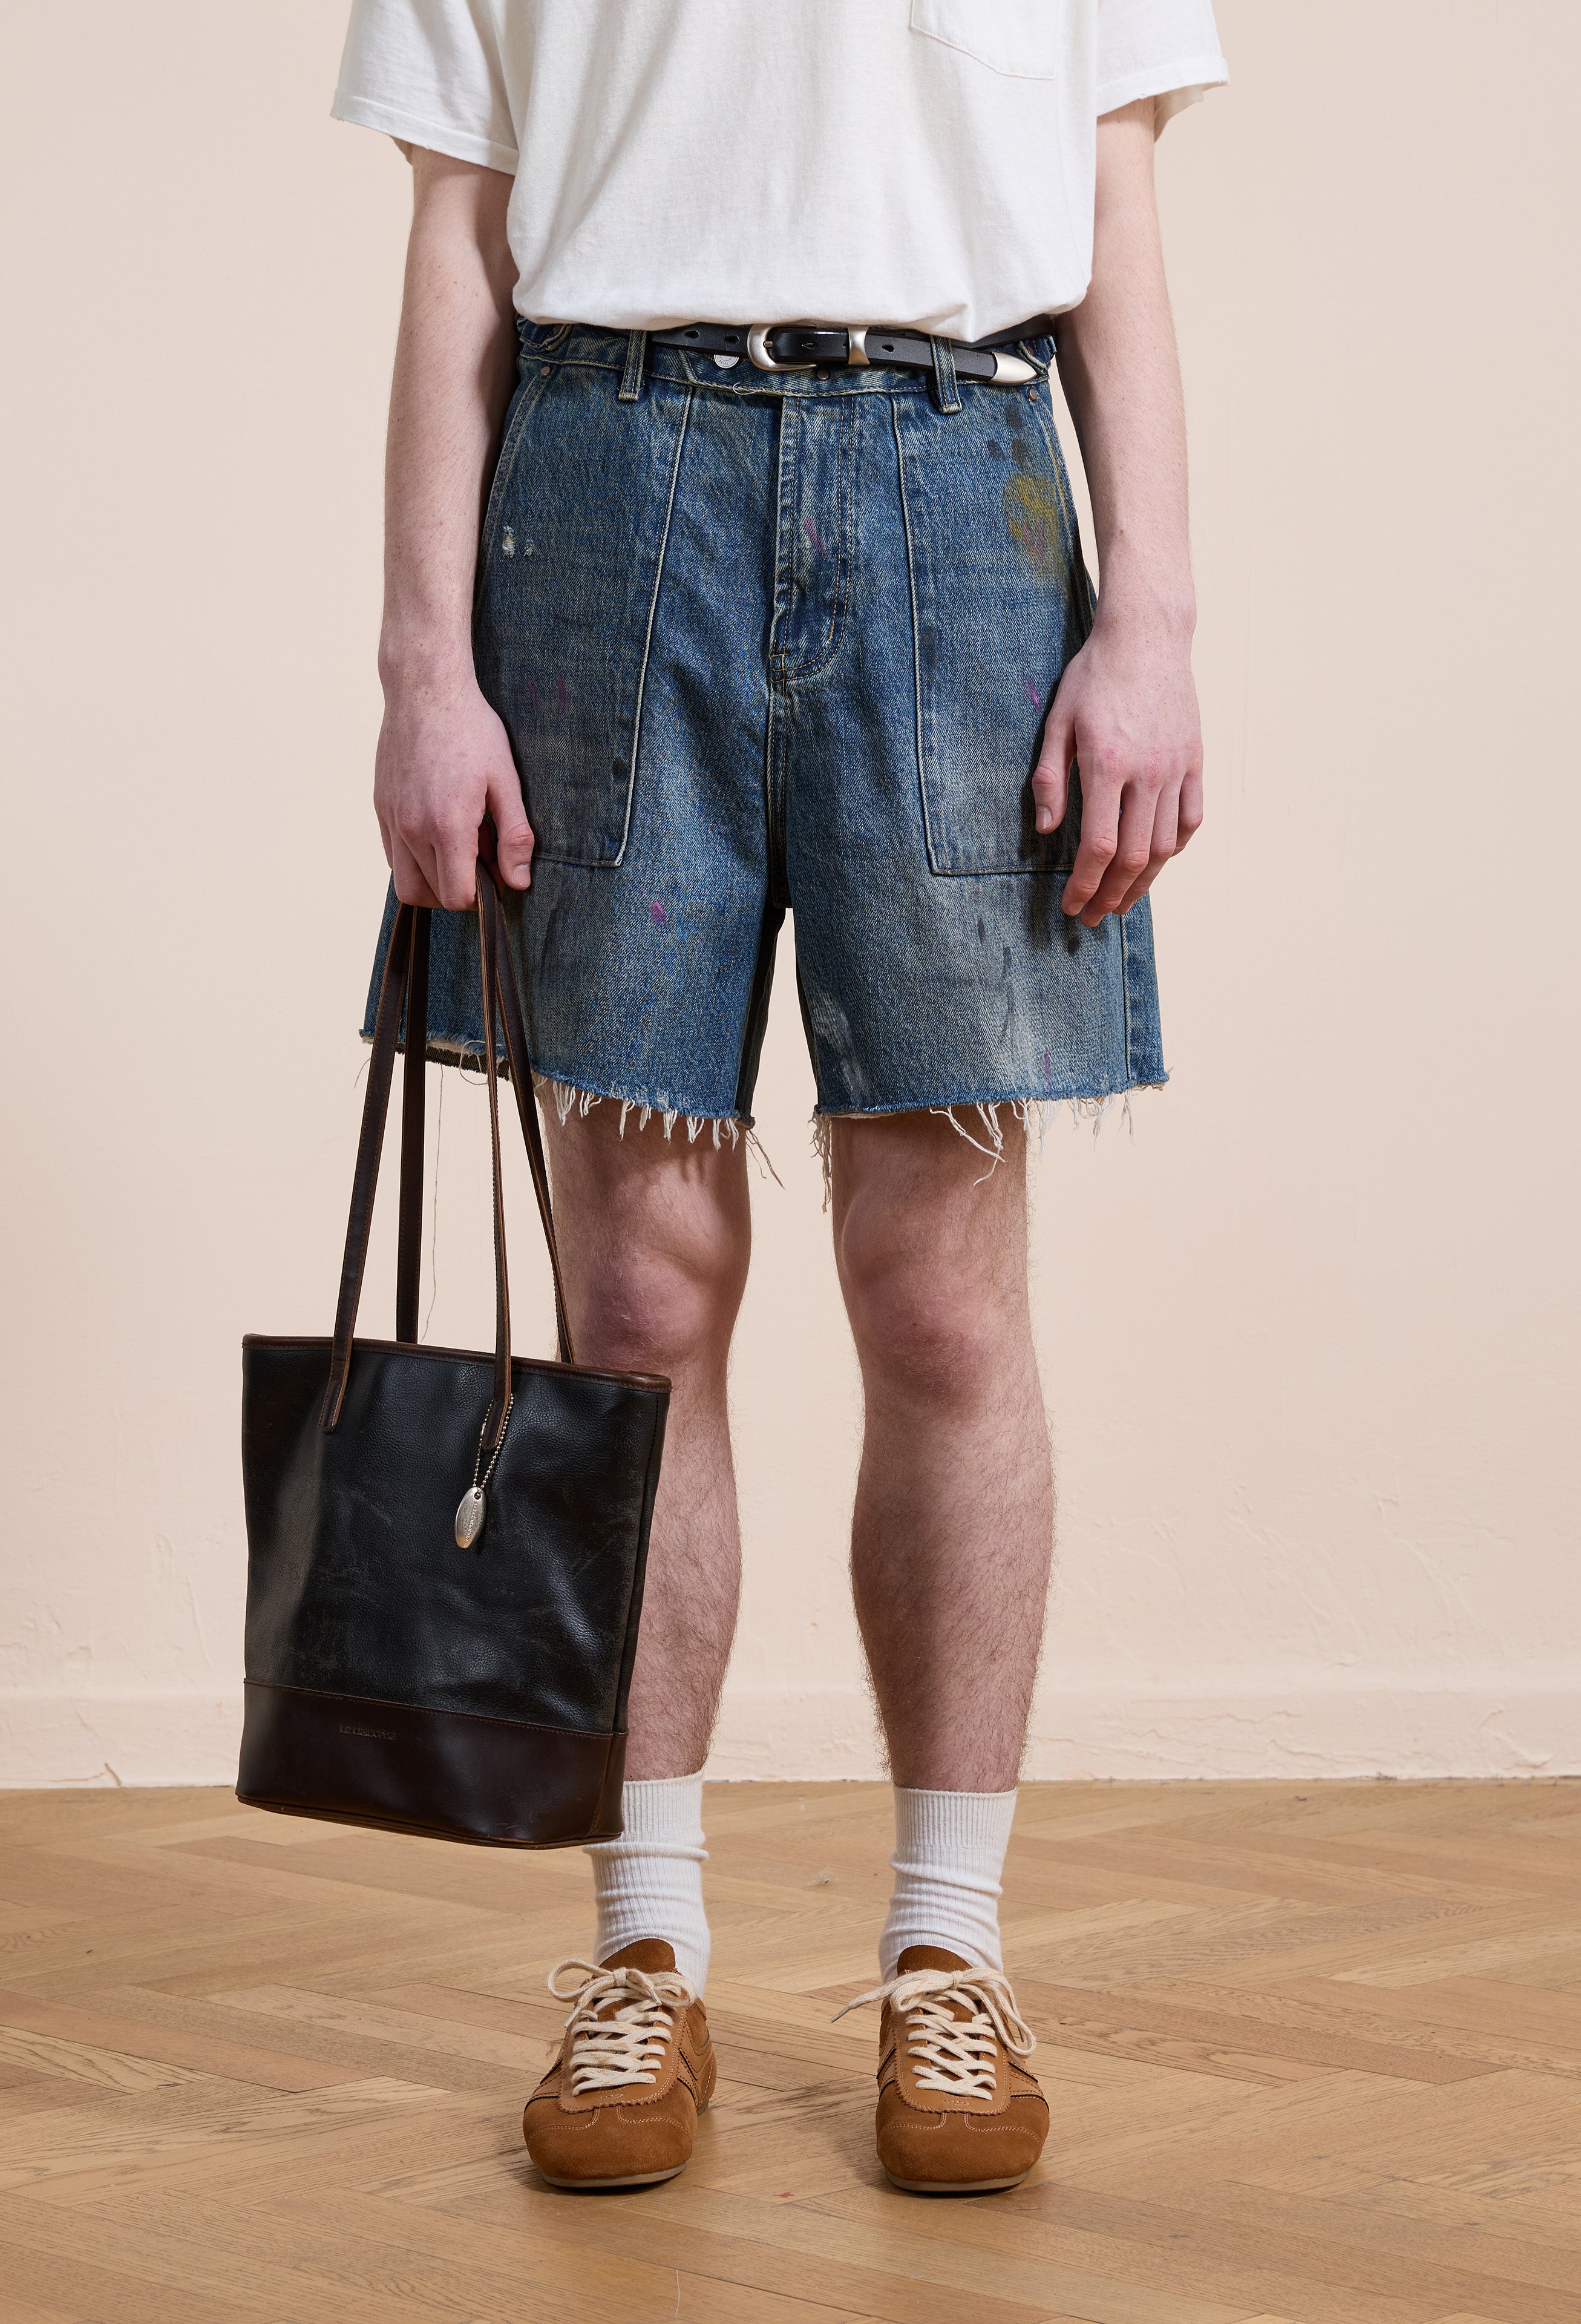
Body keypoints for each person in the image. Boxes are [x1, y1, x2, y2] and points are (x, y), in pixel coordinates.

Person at [332, 0, 1225, 2196]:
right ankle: (644, 1948)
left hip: (967, 491)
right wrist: (420, 670)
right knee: (635, 1302)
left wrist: (1160, 626)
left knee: (939, 1295)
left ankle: (949, 1955)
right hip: (601, 478)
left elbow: (1113, 210)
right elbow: (460, 236)